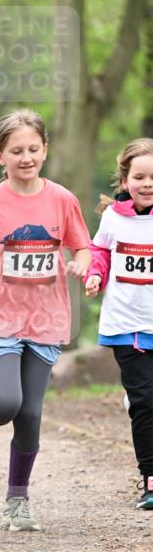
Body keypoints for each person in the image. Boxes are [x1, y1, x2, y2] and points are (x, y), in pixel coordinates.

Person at [0, 110, 91, 531]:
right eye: (16, 151)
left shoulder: (62, 199)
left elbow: (82, 246)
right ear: (0, 155)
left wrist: (81, 265)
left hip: (47, 318)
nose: (26, 157)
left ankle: (17, 500)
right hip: (0, 316)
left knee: (30, 415)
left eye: (33, 149)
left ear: (45, 150)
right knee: (7, 402)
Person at [84, 137, 153, 510]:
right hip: (128, 325)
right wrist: (95, 274)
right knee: (146, 403)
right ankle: (151, 479)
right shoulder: (112, 217)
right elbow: (99, 249)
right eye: (140, 177)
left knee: (147, 399)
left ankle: (139, 397)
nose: (147, 184)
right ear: (125, 180)